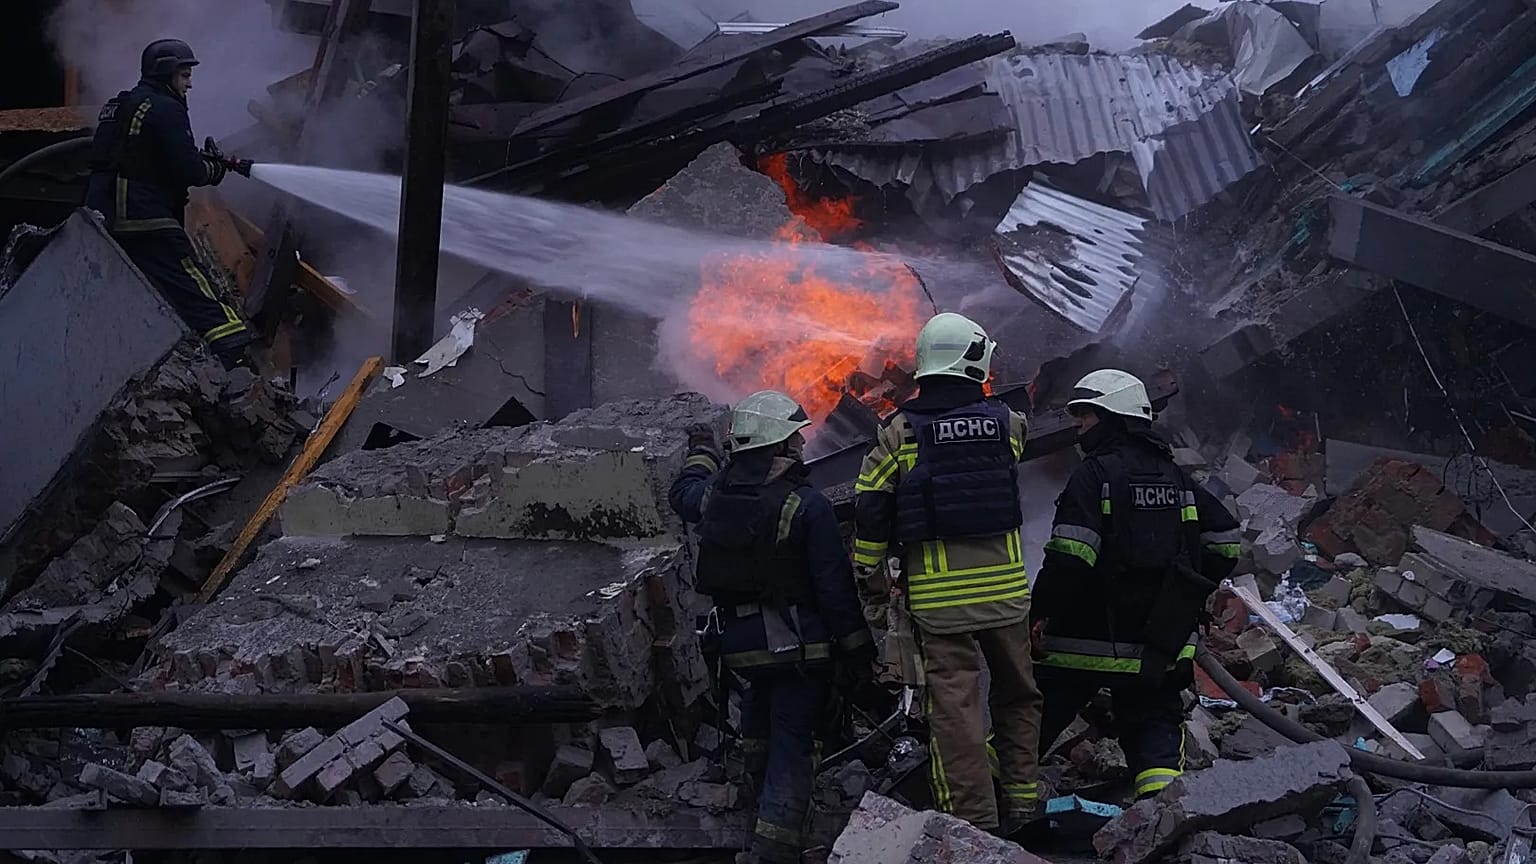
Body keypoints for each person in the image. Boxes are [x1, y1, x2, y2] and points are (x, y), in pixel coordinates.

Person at [851, 312, 1043, 835]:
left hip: (940, 604)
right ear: (974, 360)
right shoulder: (1008, 423)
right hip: (1007, 594)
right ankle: (1024, 802)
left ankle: (975, 826)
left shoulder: (898, 432)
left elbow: (871, 508)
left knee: (956, 714)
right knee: (1019, 694)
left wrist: (868, 575)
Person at [669, 391, 874, 864]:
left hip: (738, 648)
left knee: (757, 729)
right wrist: (858, 652)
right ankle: (776, 850)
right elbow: (834, 589)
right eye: (793, 439)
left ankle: (750, 825)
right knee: (793, 744)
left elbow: (682, 494)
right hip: (795, 647)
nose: (801, 446)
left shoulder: (716, 496)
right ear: (776, 446)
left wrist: (702, 450)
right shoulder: (806, 505)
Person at [1030, 369, 1241, 801]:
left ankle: (988, 800)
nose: (1078, 427)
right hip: (1156, 640)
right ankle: (1164, 819)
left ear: (1112, 418)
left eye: (1085, 417)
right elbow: (1225, 542)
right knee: (1155, 723)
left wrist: (1041, 612)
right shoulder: (1174, 476)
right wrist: (1185, 591)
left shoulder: (1094, 475)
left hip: (1086, 640)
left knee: (1032, 716)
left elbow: (1071, 556)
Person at [85, 38, 252, 369]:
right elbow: (190, 169)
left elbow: (128, 156)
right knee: (190, 281)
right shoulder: (165, 106)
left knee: (132, 293)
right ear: (166, 73)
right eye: (185, 75)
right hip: (146, 218)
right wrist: (215, 169)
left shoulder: (118, 106)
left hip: (101, 220)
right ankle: (234, 350)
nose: (190, 83)